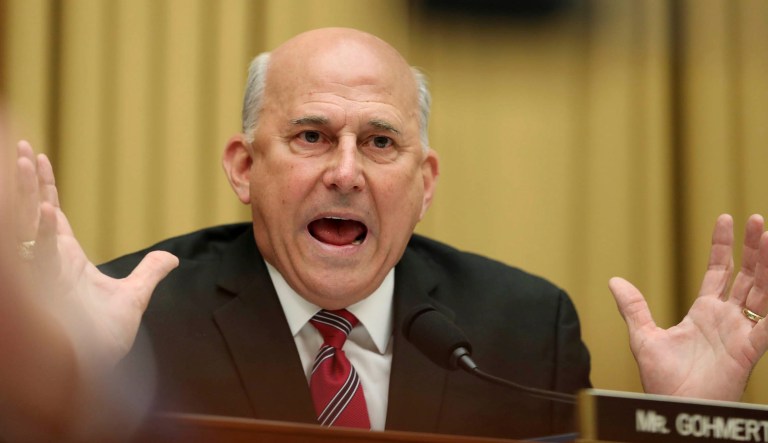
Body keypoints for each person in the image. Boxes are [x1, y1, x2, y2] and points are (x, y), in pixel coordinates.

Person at [11, 28, 768, 440]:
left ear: (425, 182)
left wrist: (691, 425)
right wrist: (68, 371)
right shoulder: (133, 324)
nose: (346, 172)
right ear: (244, 167)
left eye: (379, 142)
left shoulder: (523, 328)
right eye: (312, 135)